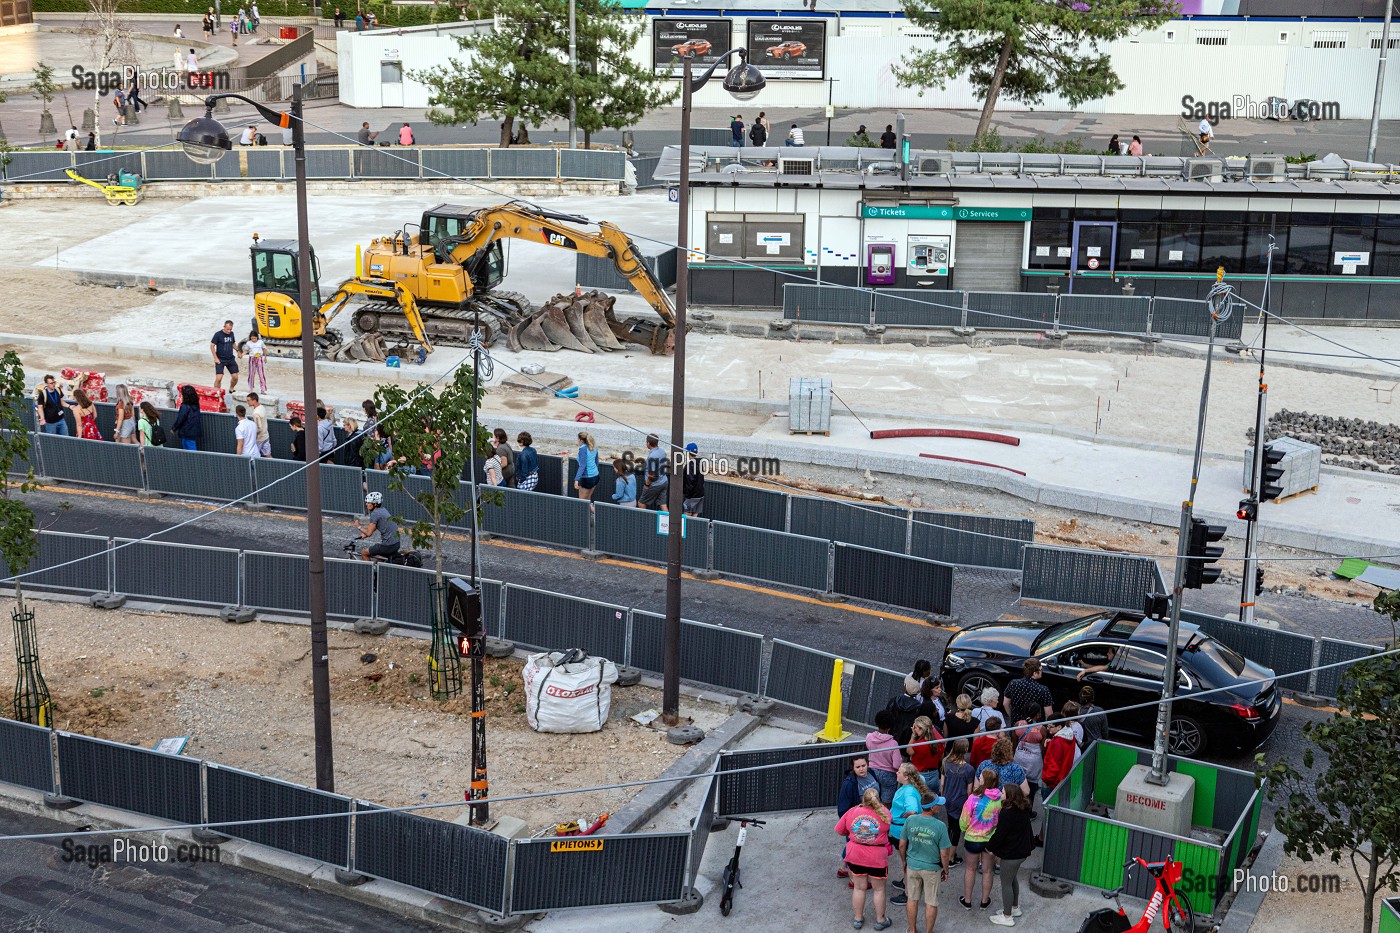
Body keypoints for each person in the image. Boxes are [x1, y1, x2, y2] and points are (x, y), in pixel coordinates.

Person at [834, 787, 894, 931]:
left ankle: (858, 918)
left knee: (859, 888)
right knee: (879, 890)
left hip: (856, 855)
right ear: (878, 799)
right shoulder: (885, 813)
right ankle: (880, 920)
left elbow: (839, 830)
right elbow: (889, 829)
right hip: (877, 858)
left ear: (863, 799)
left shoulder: (853, 811)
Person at [900, 792, 954, 933]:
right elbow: (944, 853)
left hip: (913, 865)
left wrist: (904, 861)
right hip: (932, 868)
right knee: (931, 902)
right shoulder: (940, 826)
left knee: (912, 899)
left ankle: (912, 930)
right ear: (932, 808)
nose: (940, 806)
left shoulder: (910, 820)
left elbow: (902, 844)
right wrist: (946, 870)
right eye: (938, 804)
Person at [987, 784, 1034, 926]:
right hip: (1022, 851)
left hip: (1012, 854)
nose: (1001, 794)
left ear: (1010, 795)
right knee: (1012, 878)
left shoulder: (1007, 813)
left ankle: (1007, 917)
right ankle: (1015, 908)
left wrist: (990, 847)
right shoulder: (1023, 808)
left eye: (1003, 792)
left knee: (1006, 883)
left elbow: (1000, 834)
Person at [888, 763, 931, 907]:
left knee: (906, 861)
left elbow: (912, 811)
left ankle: (907, 893)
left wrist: (902, 816)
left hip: (901, 831)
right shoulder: (917, 782)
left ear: (906, 777)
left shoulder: (907, 792)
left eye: (899, 772)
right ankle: (905, 882)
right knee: (907, 860)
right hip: (906, 831)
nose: (896, 773)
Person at [959, 768, 1002, 911]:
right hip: (990, 840)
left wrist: (965, 829)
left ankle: (967, 900)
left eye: (981, 778)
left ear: (984, 781)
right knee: (988, 871)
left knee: (970, 869)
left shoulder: (973, 798)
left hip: (972, 839)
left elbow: (964, 820)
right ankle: (984, 901)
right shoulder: (999, 799)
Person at [837, 756, 880, 880]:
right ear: (853, 768)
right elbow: (843, 808)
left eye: (863, 765)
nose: (862, 769)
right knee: (855, 846)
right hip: (858, 820)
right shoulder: (849, 784)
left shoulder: (871, 773)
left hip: (871, 817)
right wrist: (851, 823)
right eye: (858, 767)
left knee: (852, 844)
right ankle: (853, 880)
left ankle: (842, 867)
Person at [940, 739, 973, 857]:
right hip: (960, 801)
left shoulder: (945, 762)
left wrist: (943, 796)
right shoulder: (968, 769)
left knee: (951, 826)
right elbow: (969, 791)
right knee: (956, 829)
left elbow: (942, 784)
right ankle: (950, 857)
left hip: (948, 799)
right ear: (965, 749)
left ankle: (947, 853)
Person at [865, 709, 902, 806]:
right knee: (887, 801)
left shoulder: (869, 737)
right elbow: (896, 764)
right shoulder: (893, 744)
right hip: (888, 774)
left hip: (872, 771)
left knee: (873, 797)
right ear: (890, 726)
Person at [1004, 659, 1054, 725]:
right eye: (1041, 670)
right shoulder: (1043, 690)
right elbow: (1048, 714)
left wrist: (1012, 718)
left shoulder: (1013, 683)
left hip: (1016, 725)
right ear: (1035, 673)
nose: (1042, 671)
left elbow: (1005, 704)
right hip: (1035, 727)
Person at [355, 491, 401, 561]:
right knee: (379, 558)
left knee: (364, 553)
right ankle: (377, 570)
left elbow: (369, 533)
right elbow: (377, 525)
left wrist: (358, 526)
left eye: (368, 502)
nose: (366, 504)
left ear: (375, 504)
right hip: (396, 544)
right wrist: (365, 534)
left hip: (388, 546)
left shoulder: (375, 514)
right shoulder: (383, 510)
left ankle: (370, 571)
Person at [1011, 712, 1045, 805]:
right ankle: (1029, 810)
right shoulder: (1042, 729)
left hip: (1019, 757)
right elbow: (1043, 748)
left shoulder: (1017, 725)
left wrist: (1014, 755)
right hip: (1034, 761)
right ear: (1038, 714)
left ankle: (1015, 804)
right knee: (1031, 786)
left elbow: (1014, 743)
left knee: (1017, 782)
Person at [908, 716, 943, 790]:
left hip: (920, 776)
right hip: (934, 775)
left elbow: (909, 751)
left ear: (921, 729)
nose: (914, 729)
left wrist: (913, 736)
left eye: (915, 727)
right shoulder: (939, 743)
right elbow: (940, 758)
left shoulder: (918, 744)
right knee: (933, 799)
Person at [885, 679, 923, 748]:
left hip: (891, 737)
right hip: (907, 741)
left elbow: (886, 717)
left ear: (905, 687)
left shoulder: (895, 700)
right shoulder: (919, 707)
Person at [637, 433, 669, 510]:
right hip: (664, 481)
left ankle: (645, 521)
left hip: (654, 484)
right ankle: (669, 521)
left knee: (641, 503)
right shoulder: (662, 451)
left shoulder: (652, 456)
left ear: (648, 443)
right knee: (663, 504)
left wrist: (647, 485)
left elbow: (651, 474)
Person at [210, 320, 239, 391]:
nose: (229, 331)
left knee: (235, 377)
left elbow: (233, 343)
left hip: (230, 359)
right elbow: (212, 346)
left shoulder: (232, 334)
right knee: (219, 378)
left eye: (230, 329)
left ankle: (231, 388)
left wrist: (238, 351)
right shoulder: (218, 334)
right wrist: (216, 358)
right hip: (220, 359)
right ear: (224, 327)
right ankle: (216, 391)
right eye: (227, 329)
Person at [172, 385, 202, 451]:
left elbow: (180, 418)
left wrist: (174, 428)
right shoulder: (196, 405)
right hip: (193, 430)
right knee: (191, 446)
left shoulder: (185, 406)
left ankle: (192, 461)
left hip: (186, 431)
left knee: (187, 447)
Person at [1078, 685, 1108, 750]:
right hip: (1095, 747)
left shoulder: (1074, 711)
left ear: (1080, 696)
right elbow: (1105, 733)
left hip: (1080, 747)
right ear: (1093, 697)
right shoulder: (1099, 711)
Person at [574, 432, 599, 501]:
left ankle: (592, 511)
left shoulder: (583, 449)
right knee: (588, 498)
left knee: (582, 501)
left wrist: (576, 480)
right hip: (596, 476)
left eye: (578, 439)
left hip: (587, 478)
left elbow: (582, 466)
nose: (577, 441)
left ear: (581, 441)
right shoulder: (594, 447)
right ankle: (591, 511)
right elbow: (596, 462)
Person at [681, 442, 704, 515]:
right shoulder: (700, 462)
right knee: (694, 518)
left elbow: (689, 482)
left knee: (686, 518)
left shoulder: (690, 466)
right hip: (700, 494)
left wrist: (687, 496)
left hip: (691, 496)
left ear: (688, 452)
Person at [246, 392, 271, 457]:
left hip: (259, 438)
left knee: (253, 456)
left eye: (248, 400)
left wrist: (254, 436)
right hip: (266, 436)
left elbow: (259, 427)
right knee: (268, 455)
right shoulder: (262, 407)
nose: (247, 402)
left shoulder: (256, 413)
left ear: (254, 401)